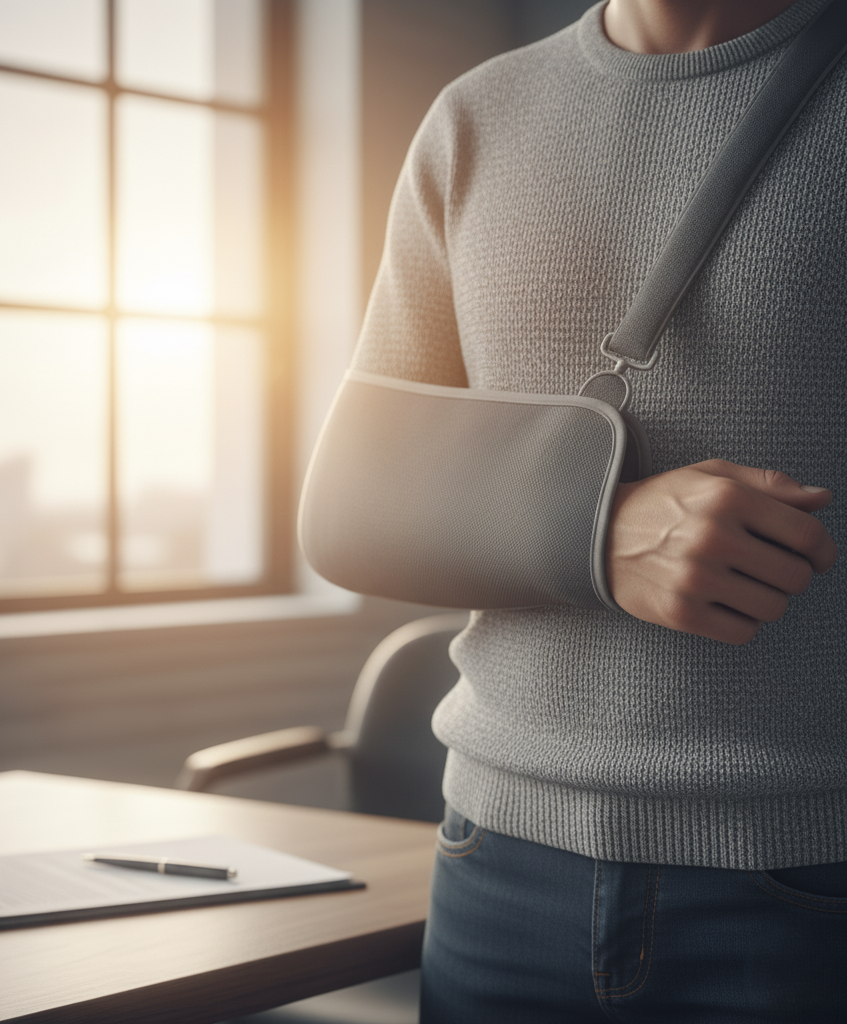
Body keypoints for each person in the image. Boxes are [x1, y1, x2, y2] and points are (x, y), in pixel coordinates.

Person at [350, 0, 846, 1019]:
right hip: (493, 855)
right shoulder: (474, 116)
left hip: (811, 869)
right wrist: (596, 526)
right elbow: (356, 500)